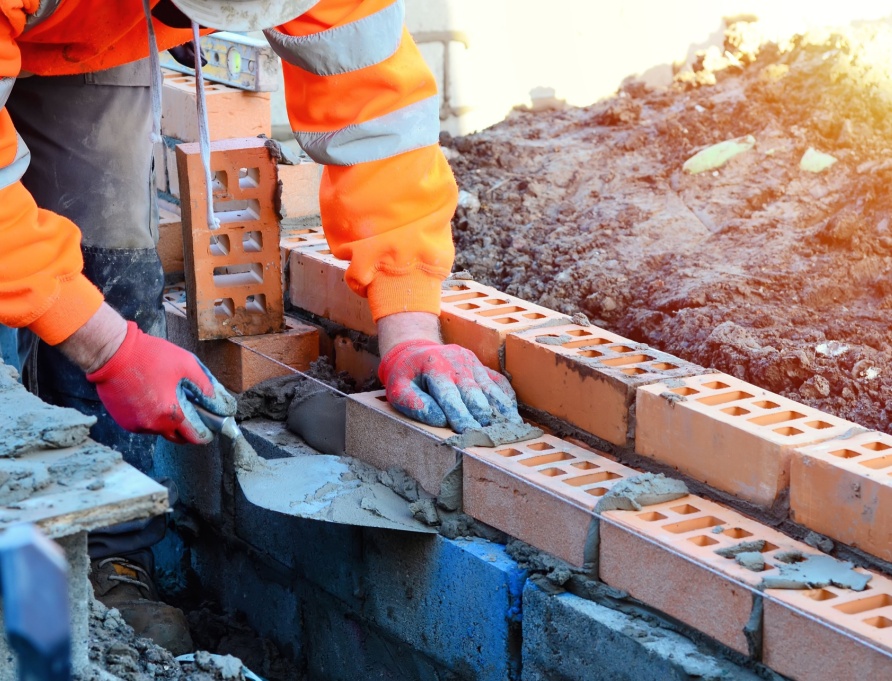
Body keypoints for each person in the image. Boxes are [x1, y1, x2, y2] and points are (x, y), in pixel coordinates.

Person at [0, 0, 521, 653]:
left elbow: (378, 115)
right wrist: (105, 346)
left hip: (93, 30)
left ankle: (109, 561)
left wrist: (410, 318)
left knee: (111, 263)